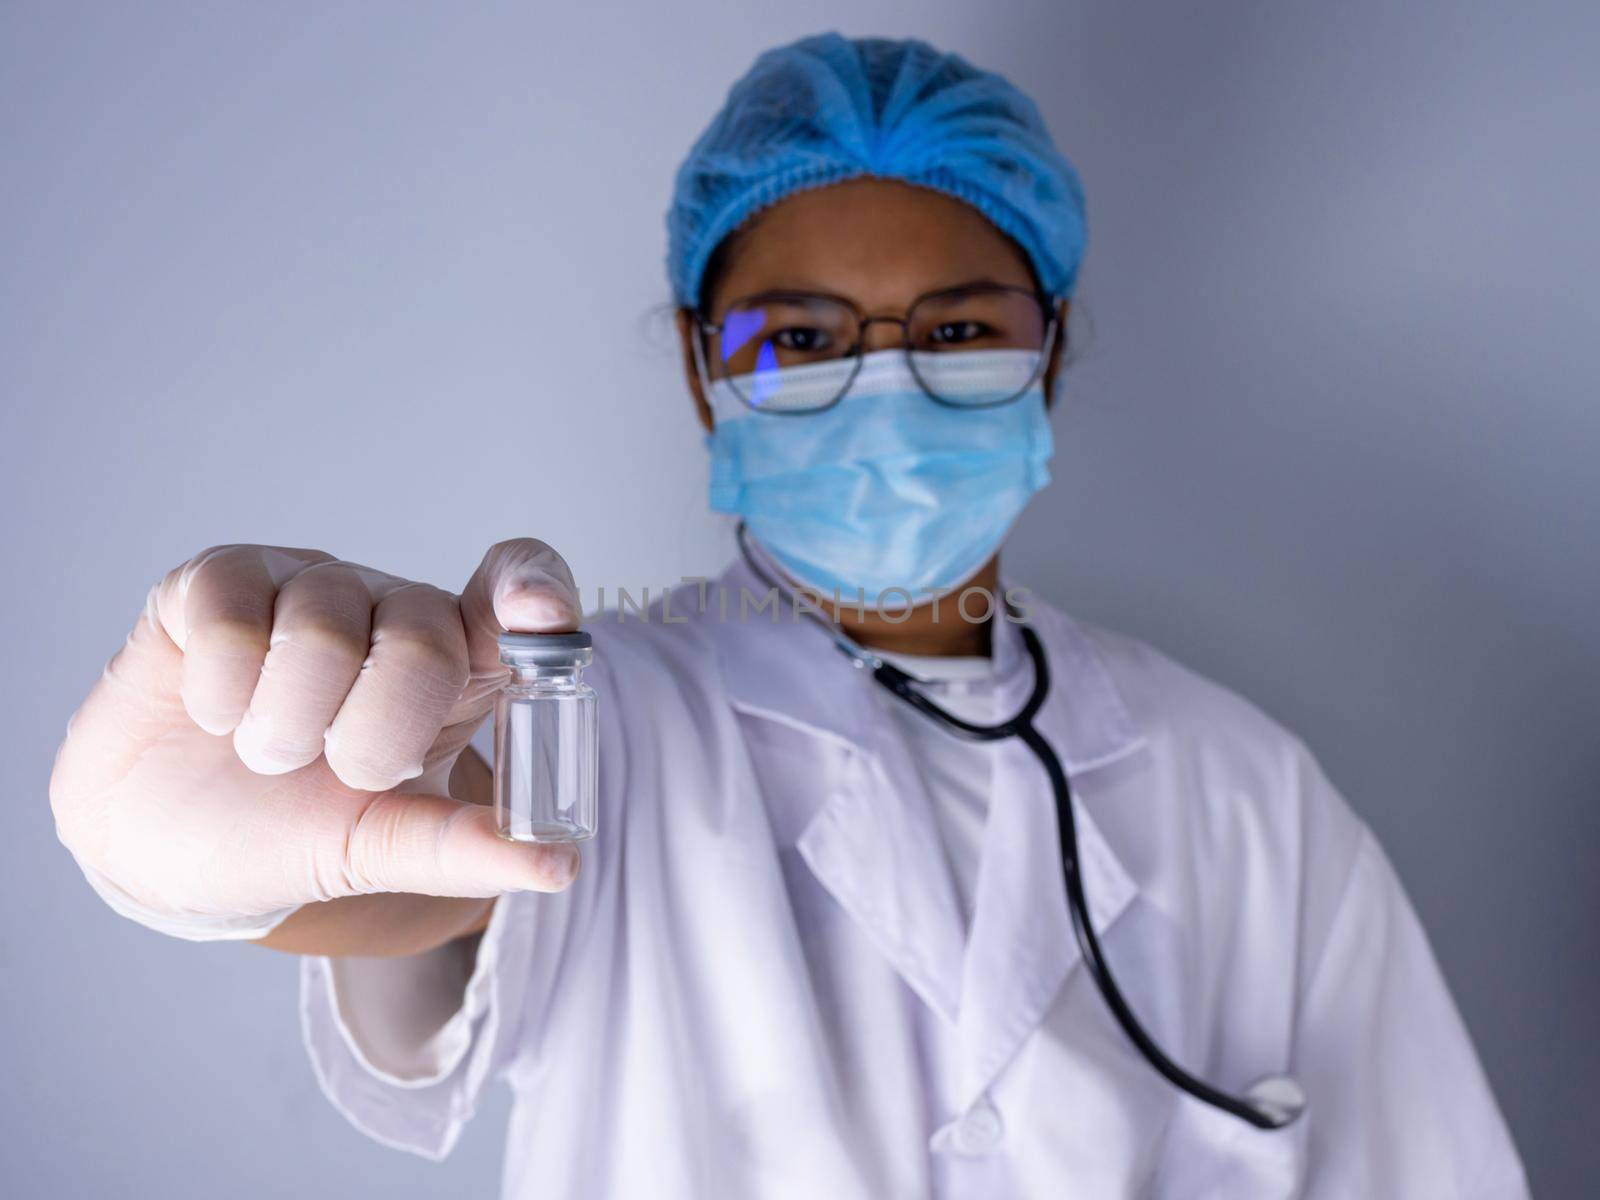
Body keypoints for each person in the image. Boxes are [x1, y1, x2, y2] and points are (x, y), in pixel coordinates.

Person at [49, 32, 1528, 1200]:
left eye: (957, 328)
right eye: (799, 338)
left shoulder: (1248, 794)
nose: (883, 382)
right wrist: (212, 854)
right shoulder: (591, 720)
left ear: (1051, 352)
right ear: (706, 372)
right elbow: (427, 872)